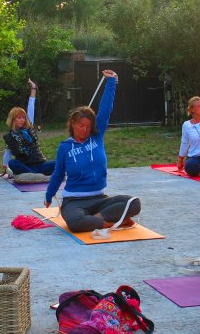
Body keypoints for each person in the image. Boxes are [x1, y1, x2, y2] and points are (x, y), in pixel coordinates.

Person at [45, 70, 141, 232]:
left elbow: (105, 109)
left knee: (134, 203)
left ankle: (95, 220)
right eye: (81, 126)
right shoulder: (65, 147)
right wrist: (49, 195)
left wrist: (111, 82)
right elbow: (58, 174)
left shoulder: (96, 137)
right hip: (74, 201)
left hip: (99, 200)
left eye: (88, 126)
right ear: (73, 124)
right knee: (75, 222)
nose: (85, 130)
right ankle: (113, 223)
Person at [0, 78, 56, 179]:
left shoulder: (28, 127)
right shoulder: (10, 137)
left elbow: (31, 105)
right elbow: (7, 154)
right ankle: (36, 176)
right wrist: (5, 169)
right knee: (12, 163)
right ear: (13, 120)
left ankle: (35, 176)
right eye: (19, 118)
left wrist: (33, 88)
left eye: (23, 117)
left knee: (59, 162)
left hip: (40, 165)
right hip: (25, 167)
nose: (22, 120)